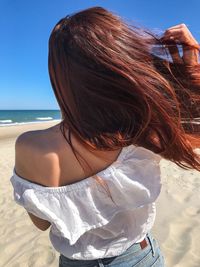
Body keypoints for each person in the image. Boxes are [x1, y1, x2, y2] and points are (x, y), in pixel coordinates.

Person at [10, 6, 200, 267]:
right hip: (140, 256)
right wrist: (191, 63)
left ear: (60, 78)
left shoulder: (30, 145)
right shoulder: (141, 132)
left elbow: (42, 223)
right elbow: (191, 117)